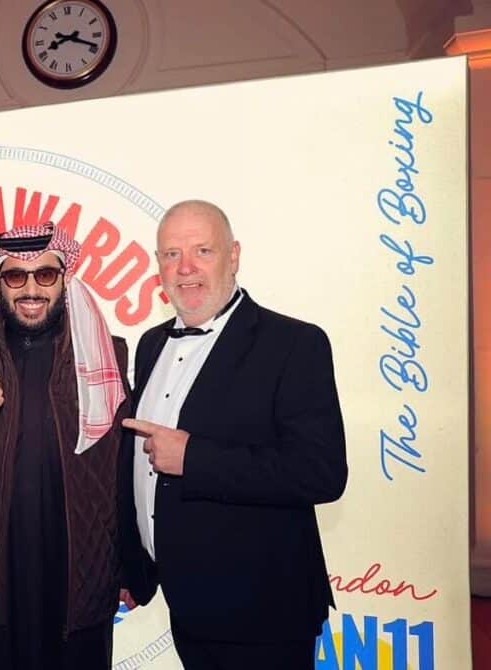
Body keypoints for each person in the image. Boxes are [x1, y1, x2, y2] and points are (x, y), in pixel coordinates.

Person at [122, 199, 348, 670]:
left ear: (234, 256)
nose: (185, 268)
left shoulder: (295, 344)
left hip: (263, 613)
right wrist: (132, 562)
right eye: (170, 254)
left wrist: (194, 458)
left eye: (202, 251)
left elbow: (322, 473)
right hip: (186, 607)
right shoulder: (150, 345)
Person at [0, 222, 141, 670]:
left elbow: (126, 467)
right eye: (15, 276)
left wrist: (131, 563)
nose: (31, 288)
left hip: (82, 570)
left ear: (64, 279)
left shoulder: (106, 354)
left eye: (45, 275)